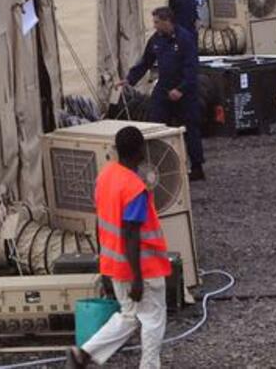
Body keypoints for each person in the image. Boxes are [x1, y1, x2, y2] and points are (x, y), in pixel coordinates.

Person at [66, 126, 170, 369]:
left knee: (130, 316)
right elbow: (131, 233)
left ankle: (83, 354)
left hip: (114, 265)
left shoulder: (105, 177)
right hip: (142, 267)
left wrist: (104, 266)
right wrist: (137, 277)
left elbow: (102, 223)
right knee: (153, 320)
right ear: (141, 151)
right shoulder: (135, 188)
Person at [117, 7, 205, 181]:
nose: (154, 25)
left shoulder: (185, 39)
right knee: (155, 124)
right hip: (164, 87)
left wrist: (181, 89)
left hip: (184, 90)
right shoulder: (156, 40)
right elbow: (146, 61)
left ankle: (196, 166)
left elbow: (191, 68)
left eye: (157, 22)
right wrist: (129, 79)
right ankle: (159, 164)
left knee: (190, 128)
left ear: (167, 21)